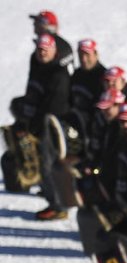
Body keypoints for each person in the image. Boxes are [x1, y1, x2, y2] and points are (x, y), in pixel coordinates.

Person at [13, 34, 71, 220]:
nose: (42, 53)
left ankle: (59, 206)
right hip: (37, 123)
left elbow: (52, 110)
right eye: (39, 49)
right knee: (38, 162)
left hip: (51, 127)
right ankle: (52, 198)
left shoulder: (59, 75)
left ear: (54, 51)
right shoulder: (38, 66)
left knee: (48, 165)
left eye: (46, 50)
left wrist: (33, 128)